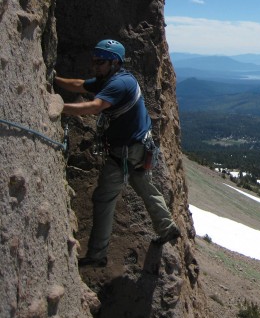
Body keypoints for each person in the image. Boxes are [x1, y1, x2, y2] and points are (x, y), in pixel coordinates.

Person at [55, 39, 181, 267]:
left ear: (114, 62)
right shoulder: (114, 79)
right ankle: (167, 227)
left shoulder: (117, 85)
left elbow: (95, 106)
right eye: (94, 60)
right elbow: (80, 84)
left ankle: (97, 255)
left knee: (104, 198)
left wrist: (58, 107)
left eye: (100, 62)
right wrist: (54, 79)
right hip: (140, 148)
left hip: (126, 151)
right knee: (144, 186)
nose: (96, 65)